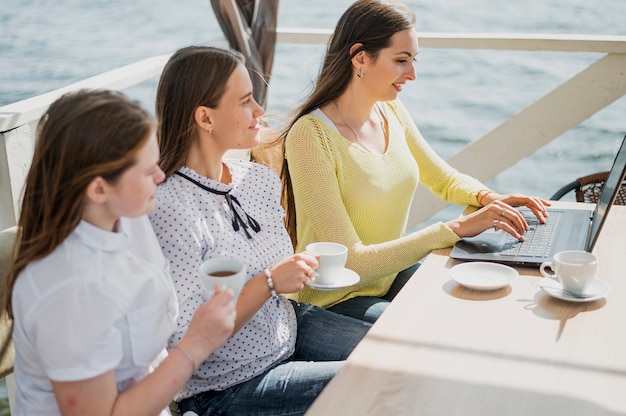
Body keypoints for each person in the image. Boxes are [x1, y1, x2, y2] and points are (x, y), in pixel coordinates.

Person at [279, 0, 551, 323]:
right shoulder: (310, 136)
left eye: (413, 60)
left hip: (386, 279)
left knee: (473, 308)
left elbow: (444, 179)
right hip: (327, 303)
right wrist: (456, 228)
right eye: (401, 61)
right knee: (420, 336)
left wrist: (489, 199)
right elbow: (351, 261)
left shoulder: (390, 111)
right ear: (361, 57)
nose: (412, 74)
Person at [149, 45, 371, 416]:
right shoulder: (169, 207)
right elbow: (186, 338)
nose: (260, 112)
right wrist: (268, 282)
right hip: (228, 385)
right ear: (205, 117)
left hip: (288, 328)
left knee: (398, 359)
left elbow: (276, 267)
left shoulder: (257, 180)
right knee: (374, 382)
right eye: (246, 102)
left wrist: (298, 269)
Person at [2, 89, 237, 416]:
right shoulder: (69, 290)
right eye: (147, 171)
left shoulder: (123, 218)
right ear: (98, 189)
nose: (160, 176)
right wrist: (196, 345)